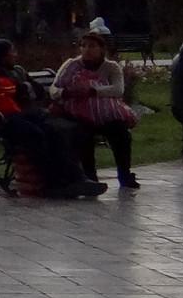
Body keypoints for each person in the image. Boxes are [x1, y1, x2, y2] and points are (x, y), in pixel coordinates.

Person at [0, 37, 100, 198]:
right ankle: (53, 184)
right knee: (34, 134)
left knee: (53, 129)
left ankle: (76, 178)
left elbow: (10, 86)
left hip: (12, 115)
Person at [51, 22, 139, 190]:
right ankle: (90, 177)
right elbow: (55, 89)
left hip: (106, 114)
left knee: (121, 132)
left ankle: (124, 174)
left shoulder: (111, 67)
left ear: (101, 49)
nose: (87, 50)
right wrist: (68, 93)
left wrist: (92, 91)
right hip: (79, 113)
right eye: (83, 46)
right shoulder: (72, 65)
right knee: (82, 133)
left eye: (92, 46)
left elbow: (118, 90)